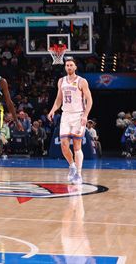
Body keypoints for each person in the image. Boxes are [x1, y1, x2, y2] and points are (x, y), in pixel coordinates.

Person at [47, 57, 93, 185]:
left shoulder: (82, 81)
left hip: (78, 115)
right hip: (66, 115)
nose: (69, 67)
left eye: (71, 65)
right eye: (67, 65)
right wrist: (52, 110)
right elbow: (58, 100)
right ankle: (72, 166)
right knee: (63, 144)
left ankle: (78, 174)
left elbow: (90, 100)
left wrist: (85, 115)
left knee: (77, 146)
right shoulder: (61, 81)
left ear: (75, 67)